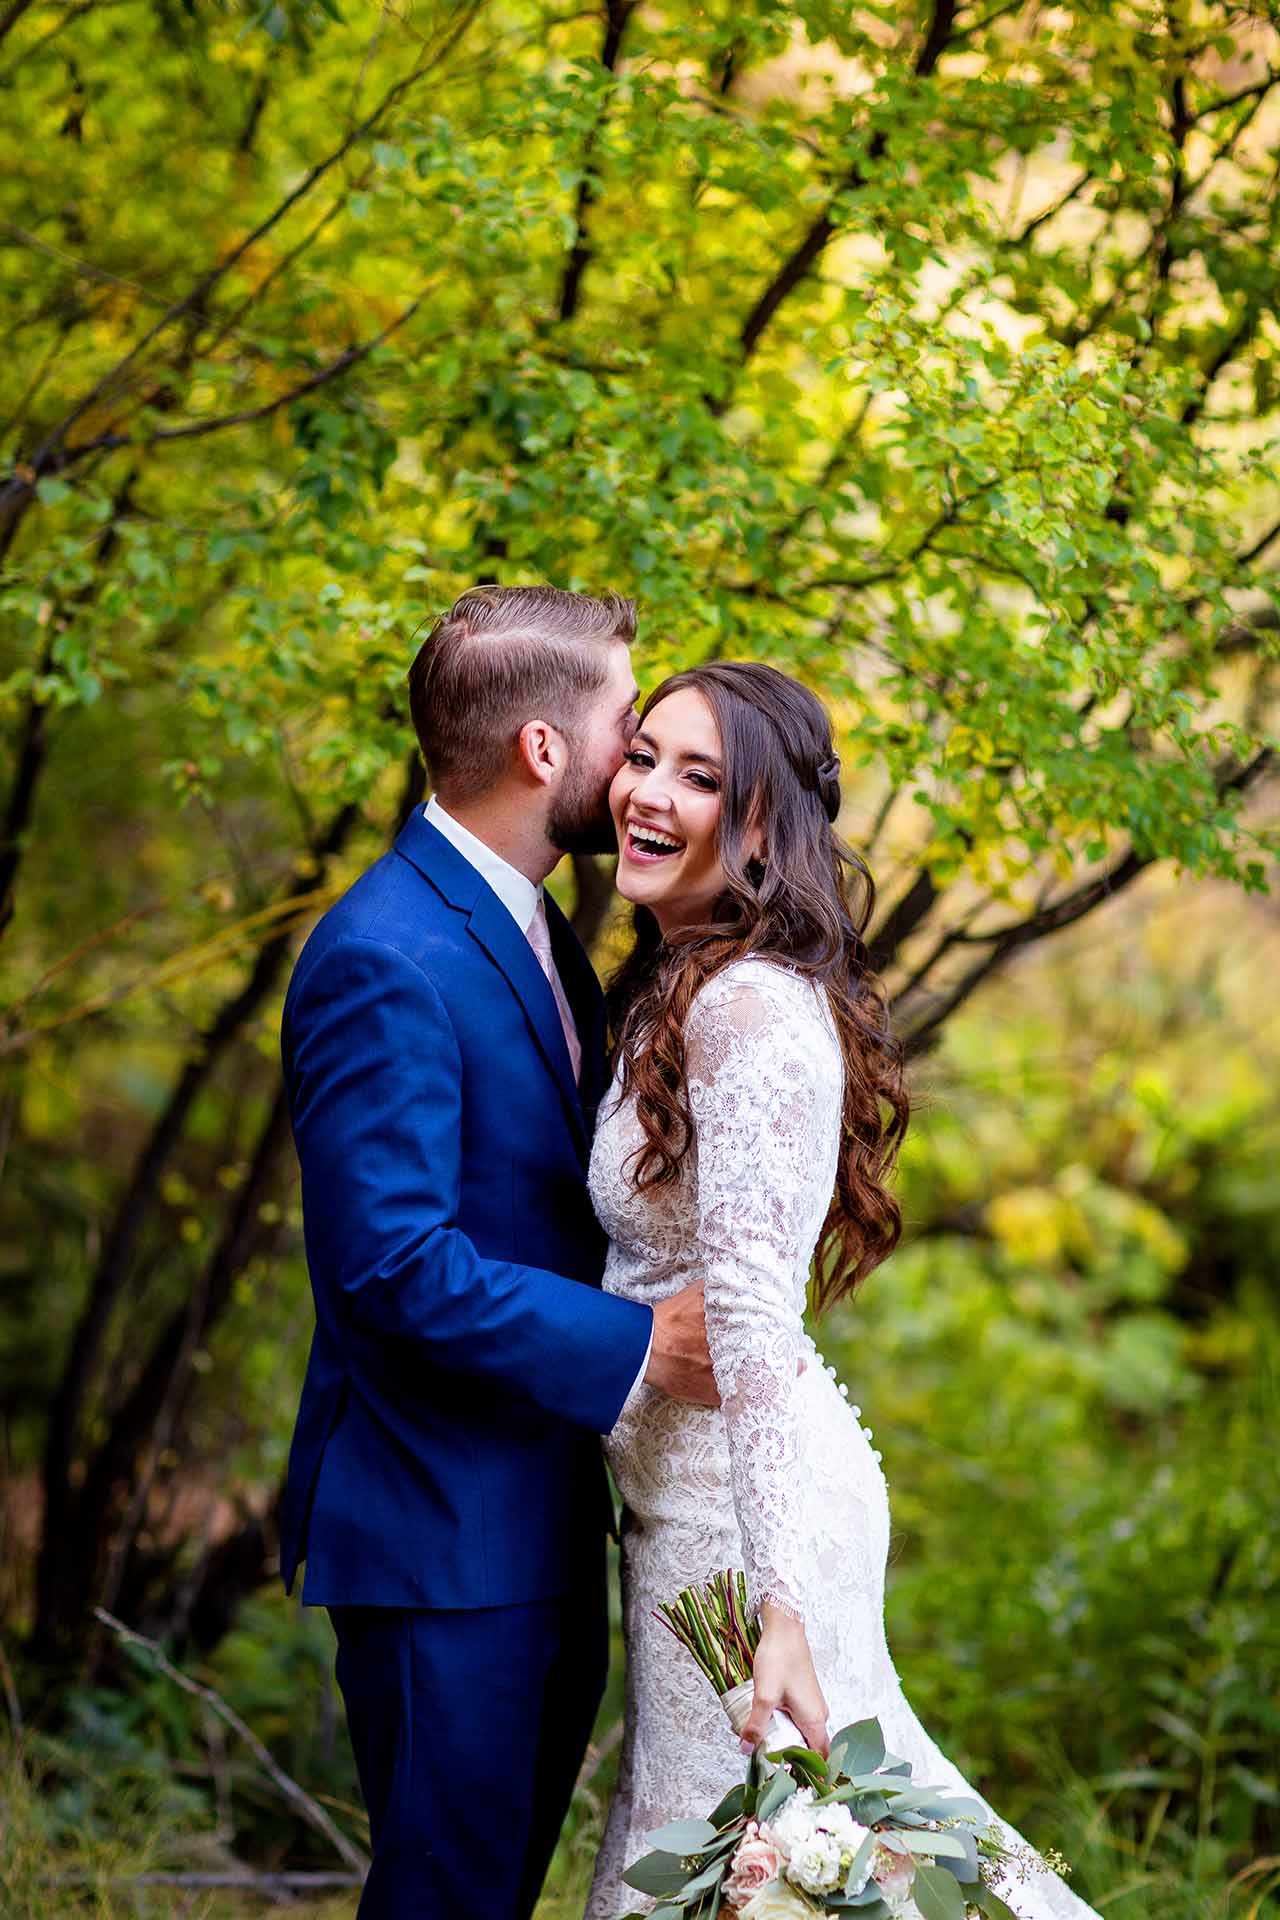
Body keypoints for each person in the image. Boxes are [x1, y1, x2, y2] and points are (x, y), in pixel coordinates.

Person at [583, 662, 1100, 1920]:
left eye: (697, 778)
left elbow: (755, 1312)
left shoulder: (750, 1009)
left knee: (727, 1864)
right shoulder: (679, 982)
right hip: (686, 1499)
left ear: (763, 827)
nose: (646, 794)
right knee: (791, 1857)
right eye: (642, 755)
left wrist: (779, 1603)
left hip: (737, 1521)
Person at [278, 585, 716, 1920]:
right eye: (627, 731)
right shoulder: (386, 952)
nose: (636, 761)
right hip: (437, 1535)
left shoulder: (533, 929)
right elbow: (392, 1267)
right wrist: (638, 1345)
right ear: (545, 752)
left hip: (527, 1521)